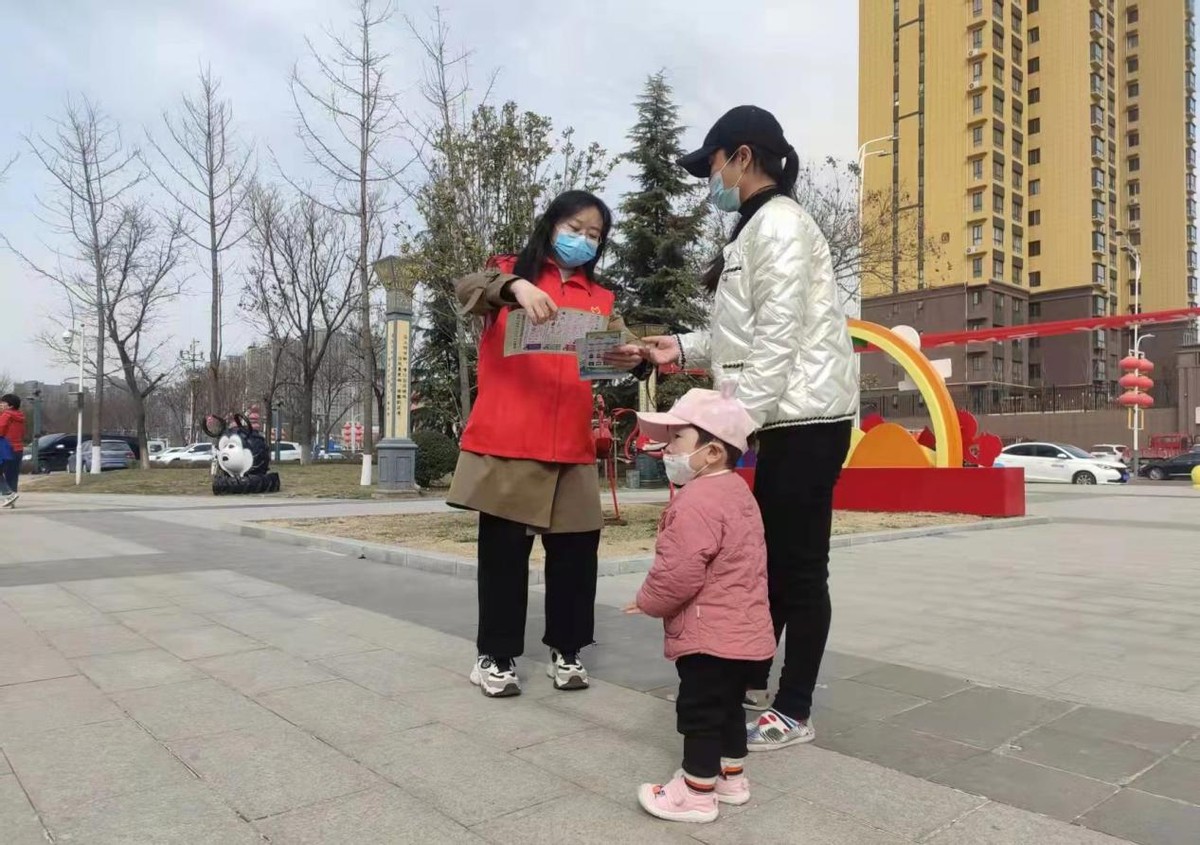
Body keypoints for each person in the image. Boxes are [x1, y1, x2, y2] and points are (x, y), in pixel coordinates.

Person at [620, 105, 858, 749]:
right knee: (767, 558)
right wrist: (676, 345)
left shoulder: (779, 224)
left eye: (713, 164)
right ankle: (748, 678)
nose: (711, 178)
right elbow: (742, 333)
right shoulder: (756, 227)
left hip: (804, 418)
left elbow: (777, 338)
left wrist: (729, 428)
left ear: (743, 157)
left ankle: (796, 707)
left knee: (799, 567)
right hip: (782, 416)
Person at [448, 190, 649, 698]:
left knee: (577, 555)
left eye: (594, 235)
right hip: (511, 439)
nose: (583, 240)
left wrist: (634, 359)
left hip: (572, 445)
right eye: (575, 227)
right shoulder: (506, 271)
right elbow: (468, 288)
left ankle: (569, 649)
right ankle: (494, 657)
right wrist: (516, 286)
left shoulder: (599, 297)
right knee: (503, 557)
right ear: (552, 223)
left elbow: (617, 352)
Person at [624, 385, 774, 824]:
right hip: (745, 633)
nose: (667, 449)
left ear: (710, 453)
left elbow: (680, 571)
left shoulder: (697, 501)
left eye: (677, 440)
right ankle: (731, 779)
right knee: (727, 706)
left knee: (700, 713)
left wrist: (647, 601)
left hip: (710, 635)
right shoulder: (738, 493)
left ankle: (695, 792)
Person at [0, 394, 26, 508]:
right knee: (12, 475)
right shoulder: (20, 416)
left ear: (10, 405)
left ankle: (8, 494)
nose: (0, 405)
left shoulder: (6, 415)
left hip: (6, 448)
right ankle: (12, 500)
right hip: (18, 448)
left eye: (3, 403)